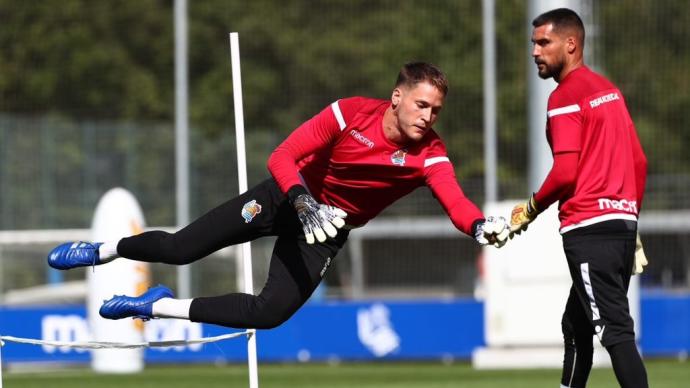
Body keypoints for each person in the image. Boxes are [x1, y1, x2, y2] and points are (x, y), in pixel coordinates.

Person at [47, 62, 510, 330]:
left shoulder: (430, 152)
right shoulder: (350, 114)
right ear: (396, 97)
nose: (428, 117)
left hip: (325, 233)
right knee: (180, 248)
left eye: (436, 110)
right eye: (421, 104)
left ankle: (157, 305)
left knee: (269, 315)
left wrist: (476, 226)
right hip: (285, 199)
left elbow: (455, 201)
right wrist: (303, 201)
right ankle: (104, 250)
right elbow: (283, 155)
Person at [509, 9, 649, 388]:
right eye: (533, 43)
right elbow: (639, 161)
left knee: (616, 334)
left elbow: (565, 173)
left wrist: (530, 209)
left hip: (590, 233)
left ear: (571, 44)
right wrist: (629, 219)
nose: (535, 51)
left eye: (543, 43)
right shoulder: (609, 91)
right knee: (575, 324)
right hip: (619, 228)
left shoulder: (564, 97)